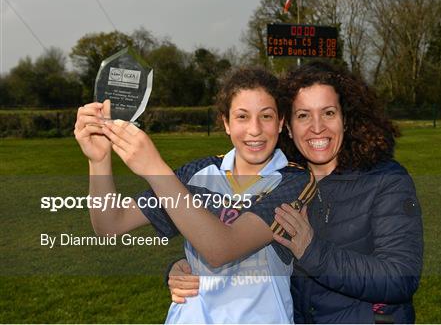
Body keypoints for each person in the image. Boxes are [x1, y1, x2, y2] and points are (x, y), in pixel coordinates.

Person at [168, 61, 424, 323]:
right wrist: (185, 268)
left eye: (328, 113)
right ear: (287, 126)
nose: (317, 127)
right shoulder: (281, 182)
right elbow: (240, 246)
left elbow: (400, 277)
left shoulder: (385, 179)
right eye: (303, 115)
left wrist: (312, 252)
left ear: (345, 120)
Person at [74, 66, 317, 323]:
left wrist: (156, 170)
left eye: (266, 116)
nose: (254, 129)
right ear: (226, 122)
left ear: (280, 122)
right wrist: (99, 160)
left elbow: (221, 249)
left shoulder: (294, 181)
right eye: (242, 117)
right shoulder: (197, 172)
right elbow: (111, 223)